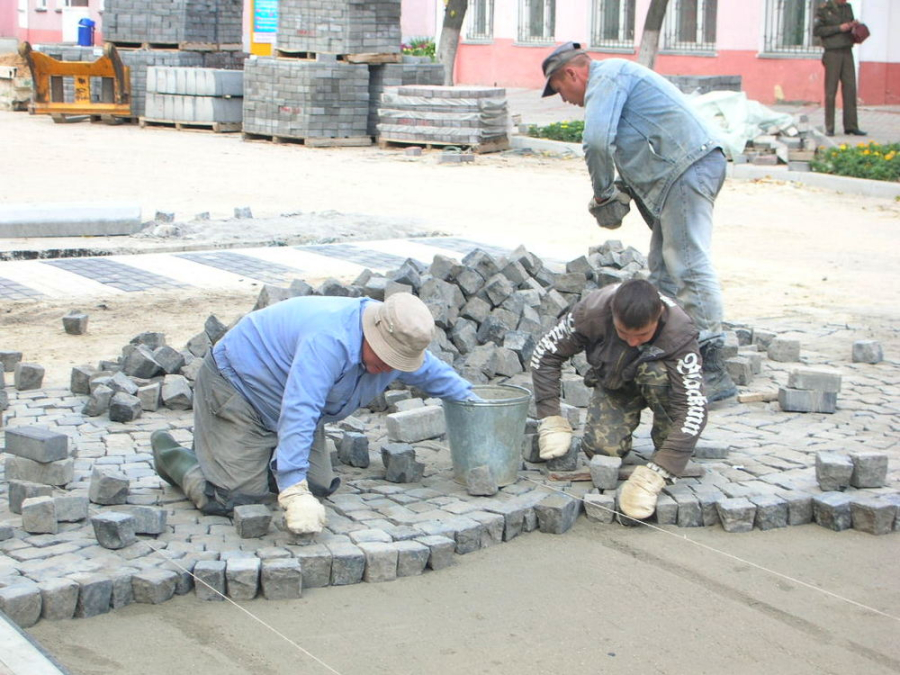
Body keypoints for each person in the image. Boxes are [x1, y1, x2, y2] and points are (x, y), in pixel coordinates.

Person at [151, 293, 476, 535]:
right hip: (239, 388)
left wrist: (478, 407)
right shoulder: (328, 339)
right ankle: (178, 459)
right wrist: (293, 489)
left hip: (287, 397)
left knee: (319, 486)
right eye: (385, 356)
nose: (389, 367)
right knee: (238, 498)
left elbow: (436, 375)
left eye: (398, 362)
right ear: (372, 333)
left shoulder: (400, 338)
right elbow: (301, 409)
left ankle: (232, 452)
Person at [539, 42, 735, 402]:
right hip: (677, 173)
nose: (564, 99)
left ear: (572, 73)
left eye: (559, 89)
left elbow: (596, 143)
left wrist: (603, 194)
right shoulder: (616, 80)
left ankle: (712, 368)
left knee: (687, 263)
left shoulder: (607, 77)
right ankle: (666, 353)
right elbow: (636, 144)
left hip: (687, 168)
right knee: (663, 271)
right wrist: (622, 190)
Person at [531, 279, 707, 520]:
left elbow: (694, 406)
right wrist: (550, 417)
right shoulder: (591, 311)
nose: (633, 341)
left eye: (643, 334)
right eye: (623, 333)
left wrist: (661, 471)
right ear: (612, 313)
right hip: (615, 384)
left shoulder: (679, 331)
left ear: (659, 315)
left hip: (659, 385)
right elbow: (545, 354)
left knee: (657, 376)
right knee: (602, 451)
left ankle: (665, 445)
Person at [814, 0, 866, 137]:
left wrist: (854, 26)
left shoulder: (847, 7)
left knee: (850, 88)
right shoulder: (824, 9)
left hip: (847, 50)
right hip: (832, 52)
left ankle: (851, 126)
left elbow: (849, 27)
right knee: (831, 91)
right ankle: (830, 127)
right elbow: (817, 30)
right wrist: (839, 28)